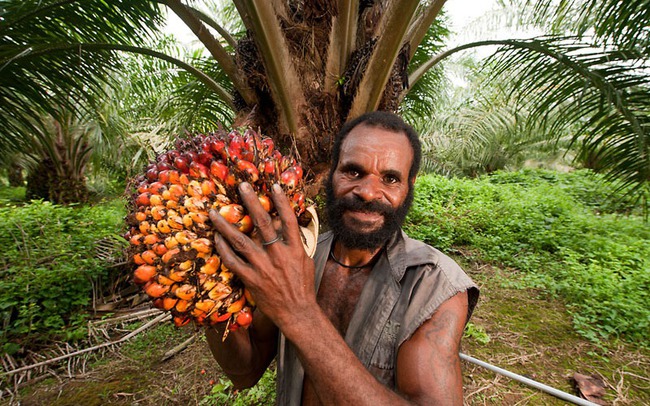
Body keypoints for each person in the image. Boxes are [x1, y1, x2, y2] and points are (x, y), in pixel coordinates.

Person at [207, 111, 479, 405]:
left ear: (409, 186)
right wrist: (209, 287)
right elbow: (245, 373)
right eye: (353, 172)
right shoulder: (300, 256)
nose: (368, 192)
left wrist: (299, 312)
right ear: (332, 173)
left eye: (389, 179)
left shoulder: (435, 285)